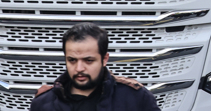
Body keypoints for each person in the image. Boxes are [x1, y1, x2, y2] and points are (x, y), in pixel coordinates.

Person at [30, 23, 159, 111]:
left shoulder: (136, 98)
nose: (79, 68)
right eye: (72, 60)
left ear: (104, 59)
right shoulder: (43, 104)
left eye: (89, 60)